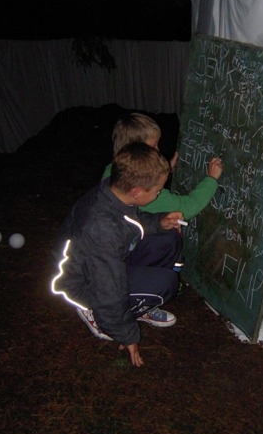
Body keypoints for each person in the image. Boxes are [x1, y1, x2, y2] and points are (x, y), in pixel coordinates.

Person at [51, 142, 185, 367]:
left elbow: (129, 224)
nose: (159, 193)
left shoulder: (112, 193)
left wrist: (159, 222)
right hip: (84, 284)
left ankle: (135, 305)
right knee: (167, 282)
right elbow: (108, 289)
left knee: (167, 240)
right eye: (157, 191)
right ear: (137, 191)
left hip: (104, 262)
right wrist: (127, 334)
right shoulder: (101, 228)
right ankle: (97, 315)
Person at [101, 112, 223, 220]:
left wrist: (164, 171)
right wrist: (211, 179)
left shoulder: (112, 170)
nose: (158, 151)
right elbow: (186, 208)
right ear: (138, 151)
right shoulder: (146, 192)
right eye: (153, 146)